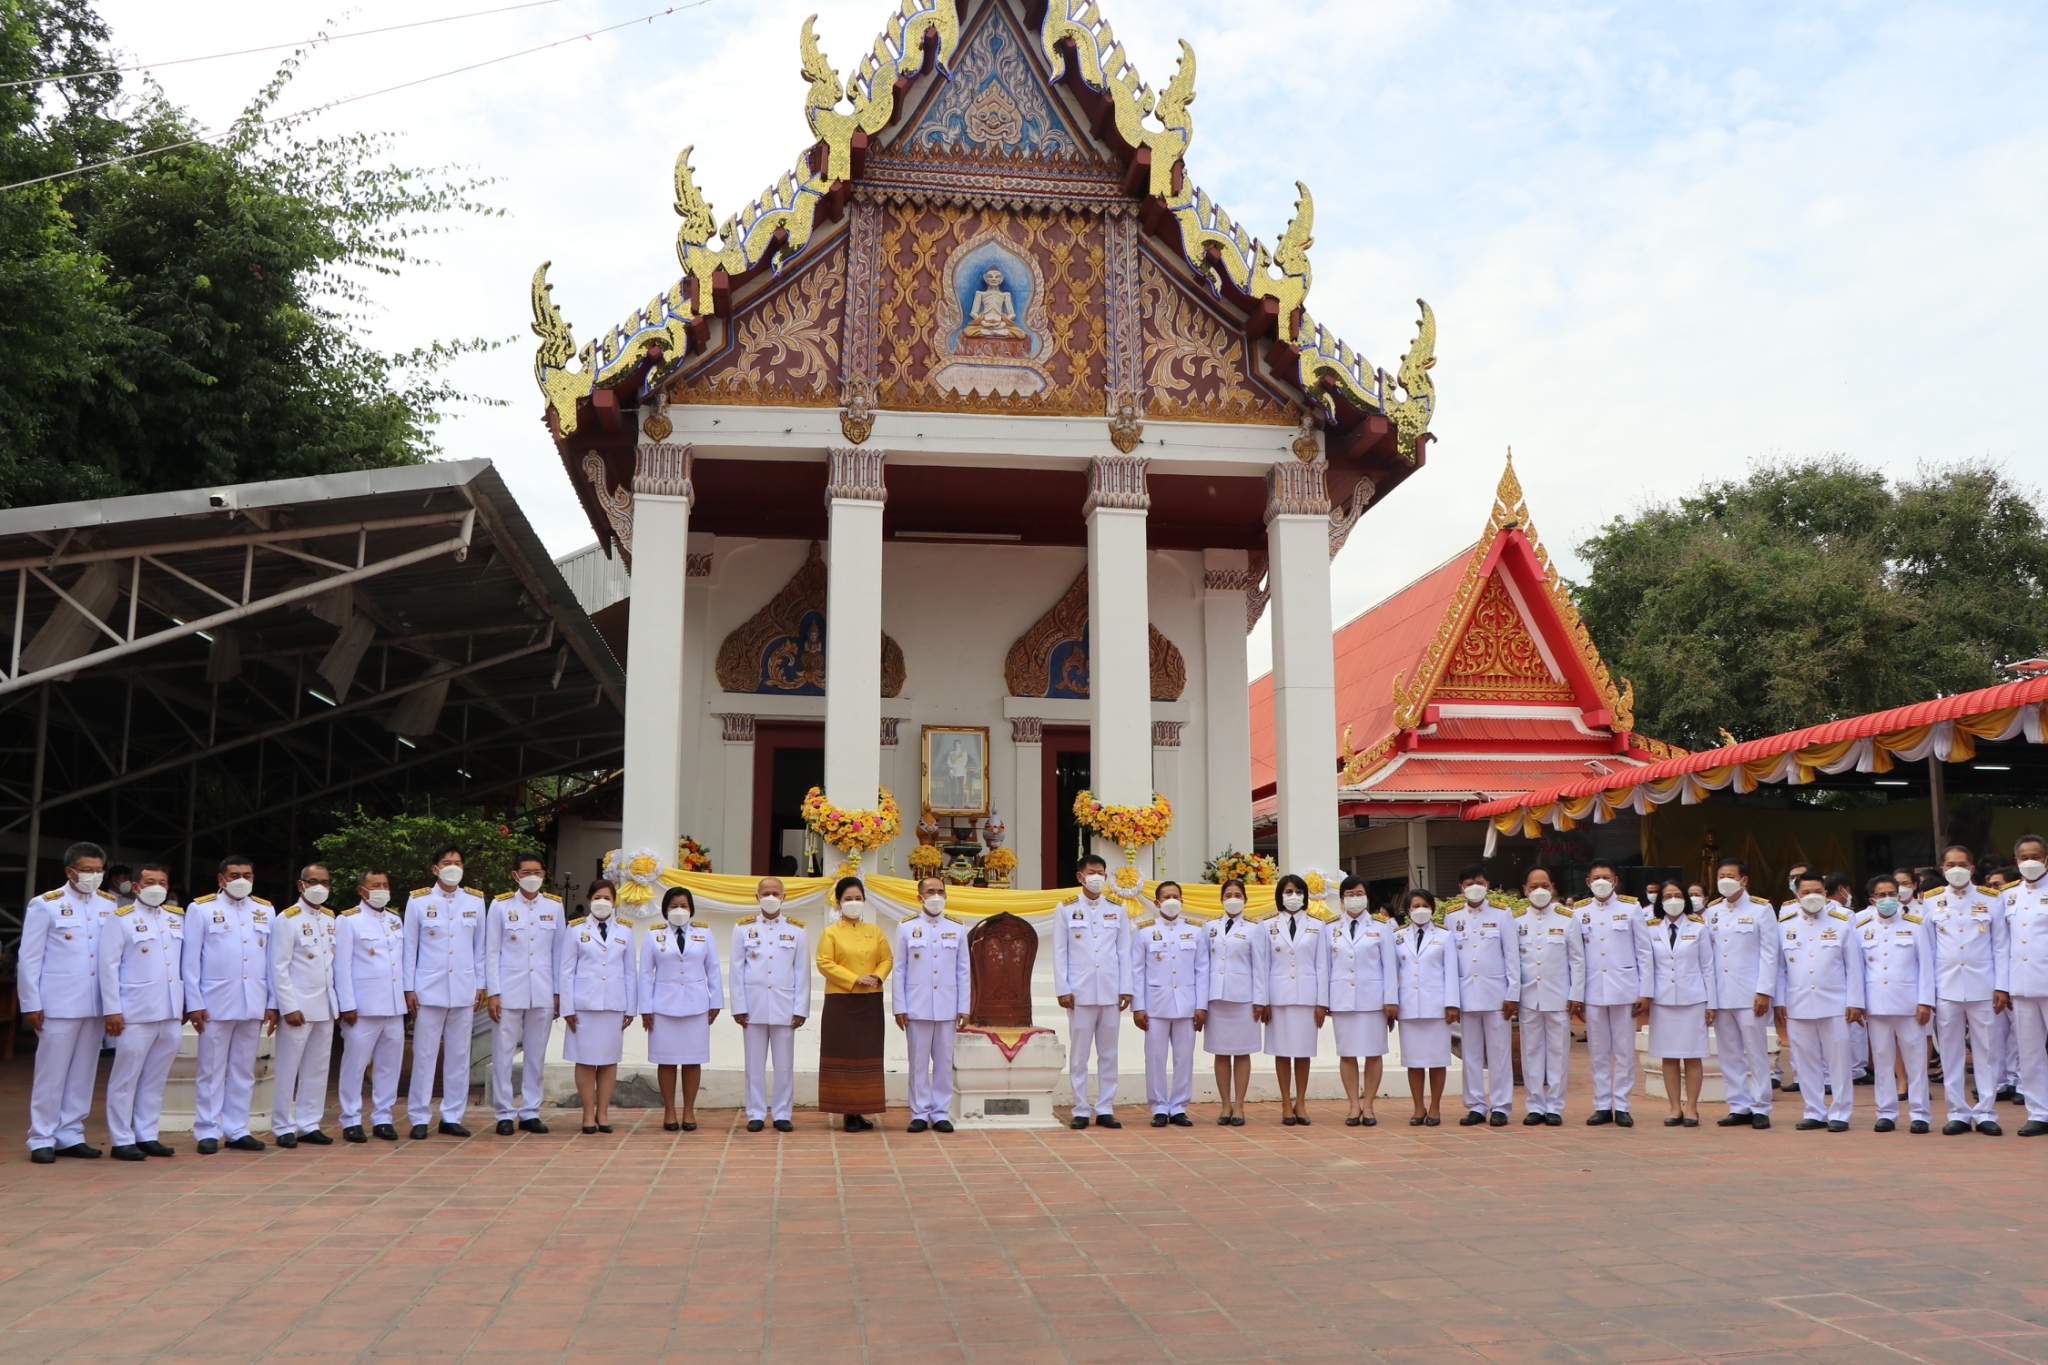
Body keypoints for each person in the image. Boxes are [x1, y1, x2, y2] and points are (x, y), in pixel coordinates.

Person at [20, 841, 115, 1163]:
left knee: (83, 1071)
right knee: (52, 1071)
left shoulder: (109, 905)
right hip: (58, 1003)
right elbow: (29, 958)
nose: (94, 877)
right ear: (69, 871)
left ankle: (71, 1132)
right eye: (87, 871)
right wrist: (31, 1003)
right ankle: (41, 1136)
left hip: (95, 1002)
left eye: (99, 871)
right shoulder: (45, 905)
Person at [182, 854, 276, 1154]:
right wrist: (194, 1003)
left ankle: (237, 1128)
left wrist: (272, 1002)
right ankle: (207, 1129)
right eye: (234, 875)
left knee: (243, 1069)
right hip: (215, 1002)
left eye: (247, 875)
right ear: (221, 879)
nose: (241, 880)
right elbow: (190, 961)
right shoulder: (202, 909)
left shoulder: (265, 910)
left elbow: (271, 961)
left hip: (253, 1001)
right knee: (210, 1068)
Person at [98, 863, 183, 1160]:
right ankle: (122, 1138)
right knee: (126, 1077)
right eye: (150, 881)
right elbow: (108, 967)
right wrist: (112, 1010)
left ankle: (147, 1134)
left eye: (162, 881)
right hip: (134, 1010)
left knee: (156, 1078)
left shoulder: (176, 918)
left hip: (169, 1010)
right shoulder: (120, 919)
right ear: (135, 886)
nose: (157, 886)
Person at [402, 845, 486, 1139]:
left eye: (458, 862)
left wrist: (481, 983)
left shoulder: (475, 901)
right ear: (435, 868)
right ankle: (419, 1117)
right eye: (447, 862)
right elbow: (409, 948)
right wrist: (408, 987)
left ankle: (452, 1115)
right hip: (429, 988)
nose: (453, 867)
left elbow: (480, 947)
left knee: (459, 1055)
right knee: (424, 1054)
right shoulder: (418, 901)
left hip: (463, 988)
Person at [1922, 845, 2005, 1135]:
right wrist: (1927, 994)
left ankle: (1985, 1113)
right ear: (1942, 869)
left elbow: (2000, 946)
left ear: (1971, 868)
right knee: (1950, 1054)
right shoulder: (1930, 902)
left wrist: (2001, 986)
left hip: (1983, 987)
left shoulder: (1992, 899)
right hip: (1946, 988)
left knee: (1987, 1052)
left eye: (1962, 863)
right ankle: (1956, 1112)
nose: (1956, 868)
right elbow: (1927, 951)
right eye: (1950, 864)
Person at [1568, 859, 1652, 1127]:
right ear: (1588, 882)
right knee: (1598, 1051)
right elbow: (1576, 957)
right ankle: (1602, 1104)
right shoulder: (1579, 912)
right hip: (1593, 990)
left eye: (1606, 877)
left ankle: (1623, 1105)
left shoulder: (1631, 908)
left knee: (1625, 1051)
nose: (1601, 882)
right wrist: (1577, 994)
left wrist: (1645, 991)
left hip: (1625, 989)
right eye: (1596, 878)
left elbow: (1644, 951)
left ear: (1615, 881)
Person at [1780, 870, 1865, 1132]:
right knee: (1805, 1061)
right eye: (1806, 892)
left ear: (1826, 894)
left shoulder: (1841, 922)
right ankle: (1814, 1110)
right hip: (1798, 1002)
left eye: (1817, 891)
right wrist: (1778, 1002)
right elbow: (1780, 968)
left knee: (1839, 1061)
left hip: (1835, 1003)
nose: (1812, 896)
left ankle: (1840, 1112)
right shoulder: (1784, 924)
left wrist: (1855, 1002)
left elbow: (1854, 966)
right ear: (1796, 895)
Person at [485, 854, 563, 1136]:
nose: (533, 875)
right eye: (526, 871)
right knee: (503, 1054)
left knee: (535, 1055)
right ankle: (504, 1112)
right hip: (508, 990)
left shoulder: (554, 906)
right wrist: (493, 992)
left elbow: (558, 953)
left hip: (541, 990)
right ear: (515, 875)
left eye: (538, 871)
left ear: (544, 874)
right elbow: (491, 952)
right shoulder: (501, 905)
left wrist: (557, 992)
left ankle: (530, 1111)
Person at [1053, 853, 1132, 1130]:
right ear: (1080, 876)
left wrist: (1126, 988)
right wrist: (1063, 988)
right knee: (1080, 1054)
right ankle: (1080, 1109)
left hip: (1110, 991)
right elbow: (1060, 952)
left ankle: (1106, 1107)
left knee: (1109, 1052)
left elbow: (1123, 951)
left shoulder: (1117, 909)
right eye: (1091, 872)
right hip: (1080, 991)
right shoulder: (1065, 908)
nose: (1097, 877)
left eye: (1101, 872)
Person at [268, 862, 339, 1148]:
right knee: (288, 1067)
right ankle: (283, 1124)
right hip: (299, 1005)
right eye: (313, 881)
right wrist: (289, 1006)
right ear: (301, 885)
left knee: (318, 1067)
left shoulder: (330, 920)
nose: (319, 887)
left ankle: (309, 1122)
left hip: (325, 1003)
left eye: (324, 882)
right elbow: (279, 967)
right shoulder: (288, 918)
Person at [731, 876, 810, 1133]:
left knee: (784, 1065)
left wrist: (800, 1008)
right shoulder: (743, 928)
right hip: (752, 1006)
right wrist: (739, 1006)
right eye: (766, 892)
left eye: (776, 893)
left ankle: (782, 1113)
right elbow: (736, 970)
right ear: (757, 896)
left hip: (785, 1006)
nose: (771, 897)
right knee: (754, 1065)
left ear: (784, 897)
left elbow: (802, 972)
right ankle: (755, 1113)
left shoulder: (797, 929)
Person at [1704, 858, 1778, 1129]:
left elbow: (1770, 954)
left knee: (1756, 1052)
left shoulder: (1761, 909)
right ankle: (1738, 1104)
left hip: (1750, 994)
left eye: (1730, 875)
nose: (1724, 879)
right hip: (1721, 995)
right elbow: (1708, 957)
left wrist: (1764, 991)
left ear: (1744, 880)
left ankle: (1761, 1106)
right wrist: (1709, 997)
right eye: (1720, 875)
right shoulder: (1711, 911)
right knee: (1728, 1052)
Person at [816, 876, 893, 1132]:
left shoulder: (876, 931)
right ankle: (847, 1112)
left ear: (865, 901)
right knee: (844, 1054)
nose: (854, 903)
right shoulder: (830, 932)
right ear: (838, 902)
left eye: (858, 898)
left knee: (867, 1055)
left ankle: (861, 1109)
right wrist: (854, 978)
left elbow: (886, 958)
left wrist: (877, 976)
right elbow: (824, 963)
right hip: (841, 1001)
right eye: (848, 899)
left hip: (870, 1000)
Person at [640, 884, 720, 1132]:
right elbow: (644, 974)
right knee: (666, 1061)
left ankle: (688, 1111)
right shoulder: (653, 935)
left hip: (696, 1006)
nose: (679, 910)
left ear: (691, 909)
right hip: (663, 1006)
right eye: (673, 906)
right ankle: (669, 1111)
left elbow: (713, 969)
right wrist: (645, 1008)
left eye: (684, 906)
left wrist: (716, 1001)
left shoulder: (704, 935)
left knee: (692, 1060)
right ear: (665, 911)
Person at [335, 869, 407, 1142]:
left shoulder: (394, 920)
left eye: (385, 884)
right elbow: (341, 966)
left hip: (393, 1004)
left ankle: (383, 1117)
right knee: (354, 1065)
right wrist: (347, 1004)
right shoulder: (348, 920)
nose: (382, 889)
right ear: (361, 890)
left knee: (389, 1065)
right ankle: (351, 1119)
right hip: (362, 1007)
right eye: (375, 885)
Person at [1445, 864, 1520, 1127]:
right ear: (1460, 888)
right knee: (1471, 1054)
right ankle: (1476, 1105)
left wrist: (1513, 994)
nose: (1473, 887)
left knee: (1499, 1054)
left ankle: (1501, 1106)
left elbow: (1512, 957)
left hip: (1497, 996)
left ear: (1487, 884)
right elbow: (1450, 962)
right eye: (1468, 883)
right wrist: (1451, 1000)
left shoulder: (1502, 914)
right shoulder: (1452, 917)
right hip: (1466, 996)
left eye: (1478, 881)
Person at [558, 881, 635, 1133]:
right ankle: (587, 1114)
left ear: (614, 902)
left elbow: (630, 972)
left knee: (608, 1061)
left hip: (613, 1004)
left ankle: (603, 1114)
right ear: (590, 900)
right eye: (598, 897)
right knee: (585, 1060)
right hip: (584, 1004)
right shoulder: (575, 929)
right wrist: (567, 1007)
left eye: (608, 898)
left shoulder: (625, 931)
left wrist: (630, 1008)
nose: (603, 902)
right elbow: (566, 970)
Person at [893, 877, 969, 1133]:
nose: (936, 896)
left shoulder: (957, 928)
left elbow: (963, 971)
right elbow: (900, 970)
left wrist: (964, 1006)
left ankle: (940, 1112)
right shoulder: (906, 927)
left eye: (940, 891)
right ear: (920, 897)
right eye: (930, 891)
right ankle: (919, 1112)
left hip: (947, 1006)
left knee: (944, 1062)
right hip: (917, 1005)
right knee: (918, 1062)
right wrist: (899, 1007)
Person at [1861, 874, 1934, 1133]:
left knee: (1915, 1060)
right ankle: (1886, 1112)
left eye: (1892, 893)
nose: (1888, 899)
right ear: (1872, 899)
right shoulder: (1859, 925)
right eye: (1881, 895)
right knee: (1882, 1061)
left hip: (1910, 1004)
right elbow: (1857, 969)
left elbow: (1926, 965)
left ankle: (1920, 1114)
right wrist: (1858, 1003)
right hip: (1876, 1004)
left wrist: (1926, 1001)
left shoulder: (1916, 925)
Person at [1133, 880, 1208, 1129]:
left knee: (1184, 1057)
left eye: (1176, 896)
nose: (1171, 900)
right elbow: (1137, 972)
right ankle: (1158, 1107)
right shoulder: (1144, 931)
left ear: (1183, 900)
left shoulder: (1196, 931)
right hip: (1155, 1005)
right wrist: (1139, 1007)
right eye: (1166, 897)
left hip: (1187, 1005)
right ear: (1156, 903)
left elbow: (1202, 971)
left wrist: (1202, 1006)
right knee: (1155, 1057)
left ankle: (1178, 1107)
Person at [1327, 875, 1396, 1127]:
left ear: (1367, 896)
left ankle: (1369, 1106)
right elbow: (1326, 968)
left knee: (1373, 1053)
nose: (1354, 898)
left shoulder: (1382, 927)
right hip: (1342, 999)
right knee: (1347, 1054)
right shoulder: (1330, 928)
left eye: (1359, 893)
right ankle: (1353, 1105)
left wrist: (1391, 1001)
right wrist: (1324, 1001)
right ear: (1342, 899)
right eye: (1349, 894)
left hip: (1373, 1000)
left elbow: (1389, 966)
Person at [1646, 880, 1715, 1127]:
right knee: (1669, 1057)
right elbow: (1647, 965)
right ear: (1660, 902)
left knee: (1693, 1056)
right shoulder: (1651, 929)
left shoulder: (1698, 928)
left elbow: (1708, 967)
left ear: (1685, 899)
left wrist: (1711, 1003)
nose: (1672, 900)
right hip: (1663, 1000)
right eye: (1667, 896)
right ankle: (1674, 1107)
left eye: (1677, 895)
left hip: (1693, 999)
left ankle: (1692, 1108)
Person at [1263, 873, 1329, 1126]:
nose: (1294, 896)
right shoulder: (1266, 925)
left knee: (1302, 1053)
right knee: (1282, 1052)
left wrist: (1322, 1002)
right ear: (1280, 895)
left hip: (1307, 997)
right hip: (1278, 997)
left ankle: (1301, 1102)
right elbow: (1262, 966)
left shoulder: (1317, 925)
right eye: (1288, 892)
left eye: (1299, 892)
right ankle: (1285, 1103)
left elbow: (1322, 966)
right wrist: (1264, 1000)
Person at [1515, 867, 1576, 1126]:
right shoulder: (1515, 919)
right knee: (1531, 1052)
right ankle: (1535, 1105)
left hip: (1558, 996)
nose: (1539, 890)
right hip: (1528, 996)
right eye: (1534, 886)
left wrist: (1576, 994)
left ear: (1552, 887)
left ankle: (1555, 1107)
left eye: (1545, 885)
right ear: (1525, 889)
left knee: (1558, 1052)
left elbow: (1577, 960)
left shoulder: (1567, 918)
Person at [1997, 834, 2048, 1137]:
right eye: (2024, 857)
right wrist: (2003, 986)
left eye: (2036, 856)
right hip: (2023, 984)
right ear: (2016, 861)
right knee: (2029, 1053)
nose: (2030, 862)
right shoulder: (2007, 896)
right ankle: (2039, 1112)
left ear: (2046, 859)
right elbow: (2002, 945)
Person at [1203, 878, 1265, 1126]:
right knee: (1220, 1052)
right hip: (1217, 998)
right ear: (1221, 899)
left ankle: (1239, 1105)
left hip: (1243, 999)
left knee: (1241, 1053)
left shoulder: (1255, 928)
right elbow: (1202, 965)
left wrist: (1260, 999)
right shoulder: (1208, 927)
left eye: (1238, 894)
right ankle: (1225, 1105)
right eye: (1228, 894)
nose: (1233, 898)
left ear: (1245, 899)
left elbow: (1260, 966)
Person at [1394, 889, 1459, 1125]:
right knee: (1413, 1060)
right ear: (1408, 910)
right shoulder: (1397, 936)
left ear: (1432, 908)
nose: (1419, 910)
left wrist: (1452, 1004)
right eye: (1414, 906)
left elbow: (1451, 971)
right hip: (1409, 1007)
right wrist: (1392, 1003)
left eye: (1424, 905)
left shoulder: (1445, 936)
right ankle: (1418, 1106)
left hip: (1436, 1007)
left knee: (1437, 1059)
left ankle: (1435, 1106)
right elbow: (1393, 973)